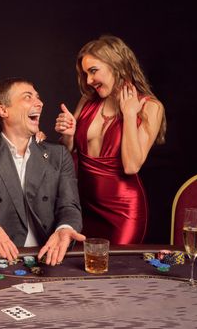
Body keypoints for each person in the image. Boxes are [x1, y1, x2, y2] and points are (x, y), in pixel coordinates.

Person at [55, 35, 166, 244]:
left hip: (123, 212)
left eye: (93, 71)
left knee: (114, 272)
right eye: (85, 74)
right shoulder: (87, 101)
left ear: (116, 65)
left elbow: (132, 166)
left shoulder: (150, 107)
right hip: (84, 206)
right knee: (81, 270)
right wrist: (68, 136)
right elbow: (68, 154)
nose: (88, 80)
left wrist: (130, 114)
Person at [0, 78, 85, 264]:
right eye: (28, 97)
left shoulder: (59, 155)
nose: (40, 103)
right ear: (3, 111)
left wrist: (64, 228)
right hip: (2, 259)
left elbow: (69, 207)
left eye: (38, 97)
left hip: (50, 257)